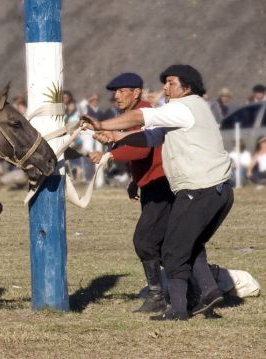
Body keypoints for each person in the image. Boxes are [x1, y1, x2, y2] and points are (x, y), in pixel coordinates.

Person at [83, 64, 234, 321]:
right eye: (164, 82)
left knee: (171, 248)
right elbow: (148, 139)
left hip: (199, 190)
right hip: (221, 192)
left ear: (187, 86)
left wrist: (102, 123)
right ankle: (209, 292)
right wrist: (115, 137)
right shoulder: (196, 108)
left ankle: (176, 308)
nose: (165, 87)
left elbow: (141, 121)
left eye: (171, 82)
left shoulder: (182, 107)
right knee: (189, 243)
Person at [88, 73, 173, 313]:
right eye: (114, 92)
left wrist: (108, 155)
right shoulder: (132, 115)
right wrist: (135, 180)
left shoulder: (144, 113)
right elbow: (133, 148)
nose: (116, 96)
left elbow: (141, 151)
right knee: (167, 245)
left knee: (145, 241)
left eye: (122, 90)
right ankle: (199, 288)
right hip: (151, 185)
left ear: (136, 92)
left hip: (162, 185)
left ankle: (158, 296)